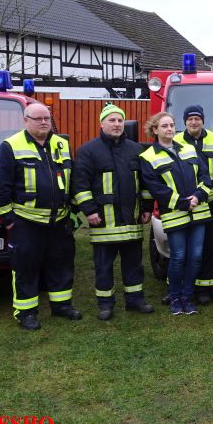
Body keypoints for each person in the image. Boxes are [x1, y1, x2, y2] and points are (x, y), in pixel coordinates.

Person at [0, 102, 80, 330]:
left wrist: (74, 214)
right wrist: (10, 221)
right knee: (25, 268)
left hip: (59, 220)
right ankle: (26, 312)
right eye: (38, 118)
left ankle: (61, 306)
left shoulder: (62, 144)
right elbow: (0, 189)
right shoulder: (10, 146)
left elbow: (74, 182)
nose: (43, 122)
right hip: (26, 222)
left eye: (47, 118)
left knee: (61, 265)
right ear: (26, 120)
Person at [72, 103, 154, 320]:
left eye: (120, 120)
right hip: (103, 221)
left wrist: (146, 208)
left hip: (132, 220)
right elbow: (80, 185)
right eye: (112, 120)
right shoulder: (88, 151)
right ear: (102, 123)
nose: (117, 124)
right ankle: (105, 304)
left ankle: (135, 300)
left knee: (134, 264)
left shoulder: (136, 150)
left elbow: (145, 184)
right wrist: (89, 210)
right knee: (103, 266)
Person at [140, 112, 212, 315]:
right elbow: (155, 188)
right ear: (154, 130)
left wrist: (198, 196)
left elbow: (205, 176)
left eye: (172, 125)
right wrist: (182, 203)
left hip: (198, 212)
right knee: (178, 257)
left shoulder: (189, 149)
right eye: (164, 126)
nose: (170, 129)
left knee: (196, 257)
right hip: (174, 214)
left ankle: (187, 297)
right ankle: (175, 297)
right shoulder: (148, 157)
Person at [174, 105, 213, 305]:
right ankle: (178, 288)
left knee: (209, 246)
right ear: (184, 122)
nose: (194, 122)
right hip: (184, 202)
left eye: (197, 118)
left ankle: (204, 288)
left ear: (203, 120)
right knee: (181, 249)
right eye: (190, 119)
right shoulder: (175, 141)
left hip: (210, 200)